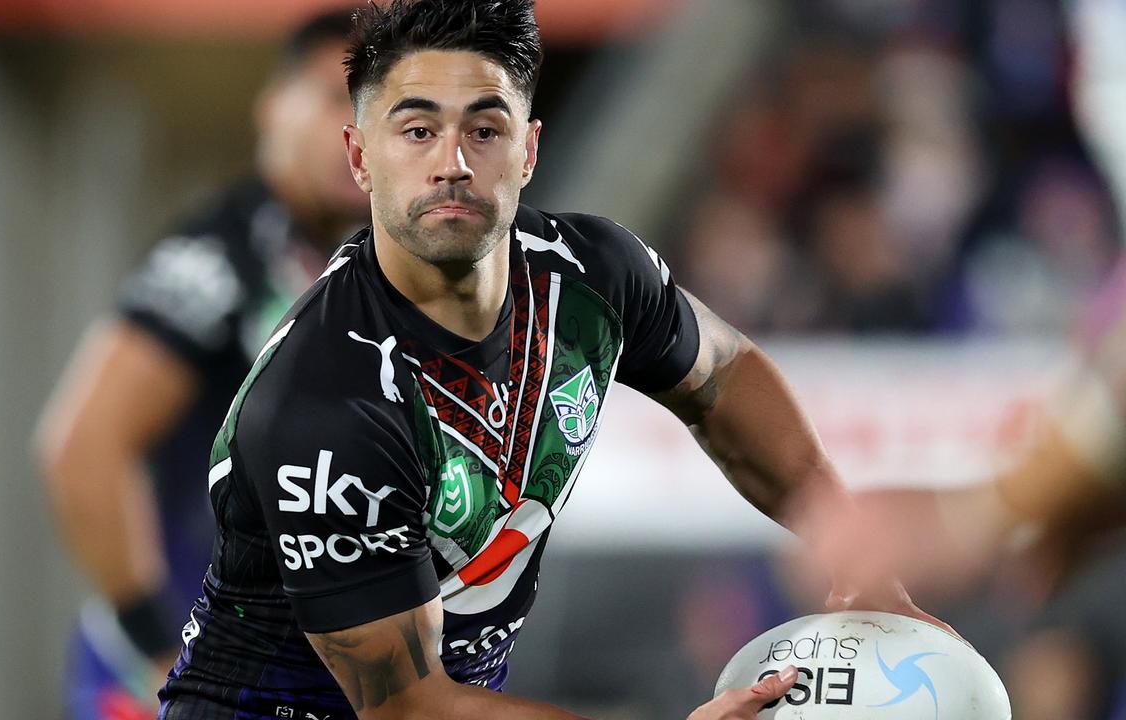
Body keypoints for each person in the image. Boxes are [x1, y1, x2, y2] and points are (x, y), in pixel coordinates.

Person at [157, 2, 942, 719]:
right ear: (360, 156)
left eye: (486, 129)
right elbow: (407, 709)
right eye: (417, 130)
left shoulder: (594, 277)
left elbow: (723, 381)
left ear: (529, 149)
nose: (454, 162)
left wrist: (845, 542)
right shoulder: (325, 403)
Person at [34, 10, 370, 719]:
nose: (354, 131)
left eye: (378, 107)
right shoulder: (225, 256)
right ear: (273, 106)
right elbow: (81, 449)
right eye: (333, 99)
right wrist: (161, 650)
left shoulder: (364, 268)